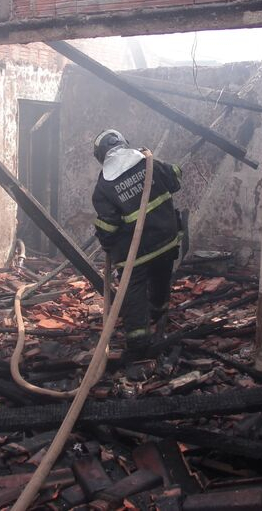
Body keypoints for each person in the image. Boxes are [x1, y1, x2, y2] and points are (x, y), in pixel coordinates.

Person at [91, 129, 183, 360]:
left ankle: (138, 340)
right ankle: (158, 311)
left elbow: (108, 226)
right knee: (162, 276)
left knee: (133, 290)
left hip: (136, 253)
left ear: (101, 156)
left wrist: (106, 243)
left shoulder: (104, 185)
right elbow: (175, 178)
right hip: (166, 241)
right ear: (124, 143)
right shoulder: (148, 162)